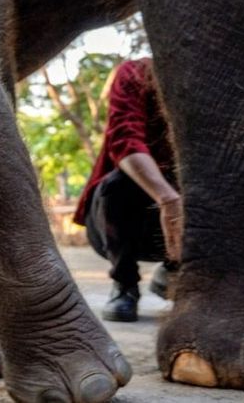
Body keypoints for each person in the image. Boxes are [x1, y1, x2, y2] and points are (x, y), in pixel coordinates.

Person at [74, 57, 183, 322]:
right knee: (118, 184)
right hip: (118, 222)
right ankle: (124, 284)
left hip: (183, 221)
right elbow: (125, 139)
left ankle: (175, 270)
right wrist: (167, 198)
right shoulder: (135, 72)